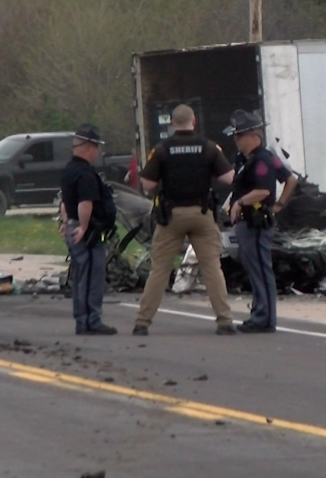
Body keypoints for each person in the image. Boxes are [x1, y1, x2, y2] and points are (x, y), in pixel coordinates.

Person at [132, 104, 237, 336]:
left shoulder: (161, 150)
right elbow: (229, 178)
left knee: (160, 270)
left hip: (171, 216)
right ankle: (225, 321)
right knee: (212, 268)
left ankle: (142, 322)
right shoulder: (209, 148)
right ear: (194, 120)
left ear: (172, 123)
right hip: (202, 214)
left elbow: (147, 184)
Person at [225, 109, 297, 333]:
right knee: (253, 269)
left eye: (239, 135)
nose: (236, 140)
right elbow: (290, 178)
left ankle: (265, 319)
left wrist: (277, 204)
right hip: (245, 224)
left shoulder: (263, 158)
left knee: (261, 271)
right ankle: (258, 313)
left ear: (252, 135)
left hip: (256, 222)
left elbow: (266, 189)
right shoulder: (243, 159)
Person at [59, 123, 118, 336]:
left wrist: (66, 222)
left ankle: (84, 319)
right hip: (88, 232)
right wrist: (84, 227)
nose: (98, 152)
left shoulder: (69, 170)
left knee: (82, 275)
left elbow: (65, 201)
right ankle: (90, 320)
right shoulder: (85, 174)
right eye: (97, 147)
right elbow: (85, 203)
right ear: (89, 147)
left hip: (75, 227)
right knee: (92, 276)